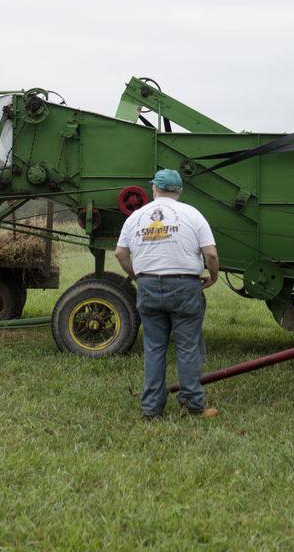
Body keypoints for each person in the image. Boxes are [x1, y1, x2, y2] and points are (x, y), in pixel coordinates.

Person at [115, 169, 220, 420]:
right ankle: (194, 406)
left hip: (149, 287)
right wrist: (213, 277)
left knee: (154, 349)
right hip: (185, 287)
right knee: (188, 348)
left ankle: (151, 410)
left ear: (154, 189)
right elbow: (211, 254)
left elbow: (120, 253)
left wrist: (139, 276)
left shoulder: (136, 217)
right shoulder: (192, 214)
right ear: (179, 190)